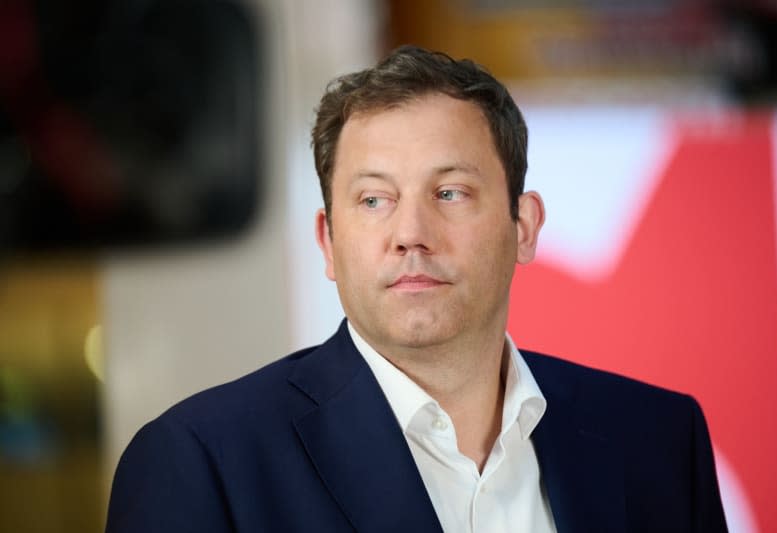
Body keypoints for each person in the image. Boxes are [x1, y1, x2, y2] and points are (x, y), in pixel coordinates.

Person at [105, 45, 727, 533]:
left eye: (450, 192)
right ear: (327, 241)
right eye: (374, 200)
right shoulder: (203, 462)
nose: (410, 234)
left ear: (524, 226)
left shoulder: (658, 440)